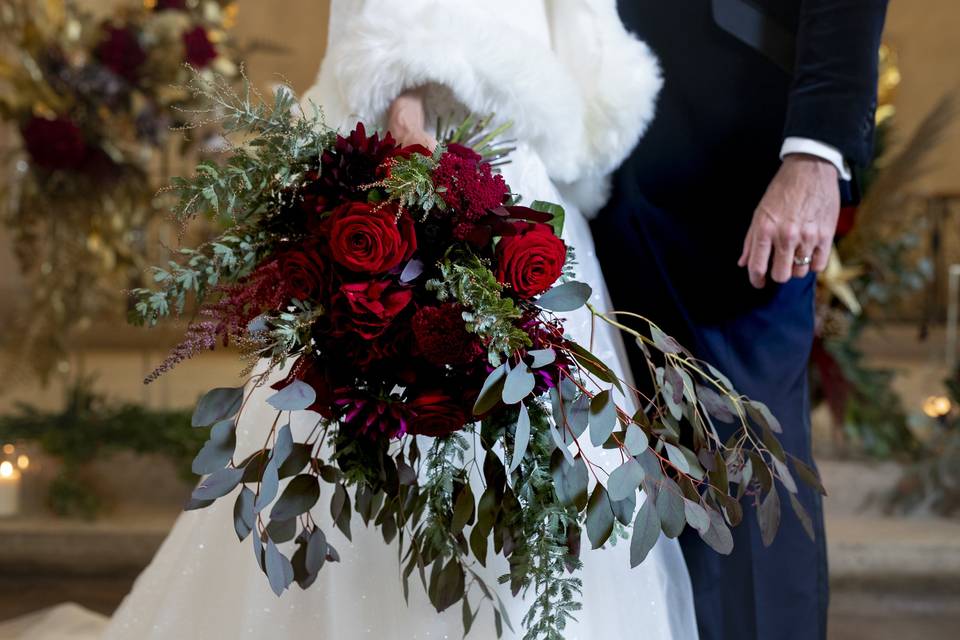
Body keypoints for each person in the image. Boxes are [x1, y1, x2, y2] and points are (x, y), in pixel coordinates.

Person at [0, 1, 701, 638]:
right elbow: (399, 36)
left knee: (540, 479)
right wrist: (407, 125)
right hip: (436, 159)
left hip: (526, 178)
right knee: (406, 445)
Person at [590, 1, 887, 639]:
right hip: (576, 134)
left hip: (730, 147)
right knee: (601, 483)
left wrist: (817, 150)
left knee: (739, 477)